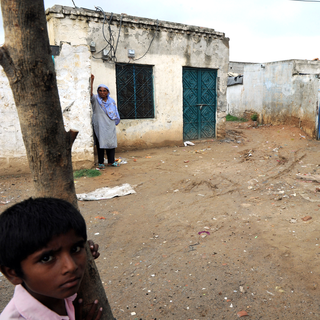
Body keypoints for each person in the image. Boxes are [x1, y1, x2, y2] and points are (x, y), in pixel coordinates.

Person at [0, 197, 102, 320]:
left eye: (75, 249)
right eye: (46, 258)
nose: (71, 266)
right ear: (13, 273)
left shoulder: (55, 290)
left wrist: (86, 252)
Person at [90, 74, 120, 170]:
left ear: (107, 92)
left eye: (104, 91)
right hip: (99, 125)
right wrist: (92, 81)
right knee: (100, 144)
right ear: (97, 91)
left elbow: (115, 113)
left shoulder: (111, 101)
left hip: (109, 125)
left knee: (111, 143)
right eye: (100, 91)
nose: (102, 92)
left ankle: (111, 161)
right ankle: (101, 162)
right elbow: (89, 93)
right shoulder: (95, 99)